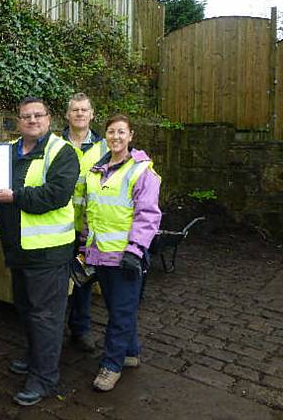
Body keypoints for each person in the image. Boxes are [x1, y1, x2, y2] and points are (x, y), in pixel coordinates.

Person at [0, 97, 80, 406]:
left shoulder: (62, 152)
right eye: (25, 116)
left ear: (49, 118)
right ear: (18, 120)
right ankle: (34, 357)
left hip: (49, 252)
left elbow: (54, 195)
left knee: (45, 316)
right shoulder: (8, 152)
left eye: (37, 115)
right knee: (26, 310)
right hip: (19, 250)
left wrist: (15, 196)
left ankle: (44, 378)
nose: (32, 120)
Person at [79, 114, 161, 392]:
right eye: (111, 132)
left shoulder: (141, 171)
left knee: (121, 313)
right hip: (101, 254)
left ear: (131, 135)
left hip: (126, 257)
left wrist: (136, 250)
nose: (116, 137)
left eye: (121, 132)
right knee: (118, 309)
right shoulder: (96, 170)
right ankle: (130, 353)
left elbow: (148, 214)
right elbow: (92, 212)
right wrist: (84, 247)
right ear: (105, 137)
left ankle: (111, 366)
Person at [62, 93, 106, 353]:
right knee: (57, 279)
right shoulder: (54, 142)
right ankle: (55, 329)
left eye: (84, 110)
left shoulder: (104, 147)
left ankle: (81, 328)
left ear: (92, 115)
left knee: (84, 278)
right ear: (67, 115)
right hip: (58, 225)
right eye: (75, 110)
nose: (79, 114)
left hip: (88, 226)